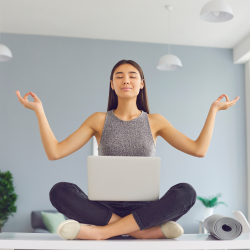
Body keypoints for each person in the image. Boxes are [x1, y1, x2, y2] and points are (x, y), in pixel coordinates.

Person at [15, 59, 240, 241]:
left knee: (186, 192)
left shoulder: (155, 121)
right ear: (112, 84)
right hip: (105, 208)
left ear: (142, 83)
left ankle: (102, 232)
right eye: (119, 76)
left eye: (132, 75)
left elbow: (198, 149)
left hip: (145, 207)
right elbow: (55, 152)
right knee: (59, 190)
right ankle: (142, 232)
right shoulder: (98, 120)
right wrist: (39, 111)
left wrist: (214, 110)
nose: (126, 80)